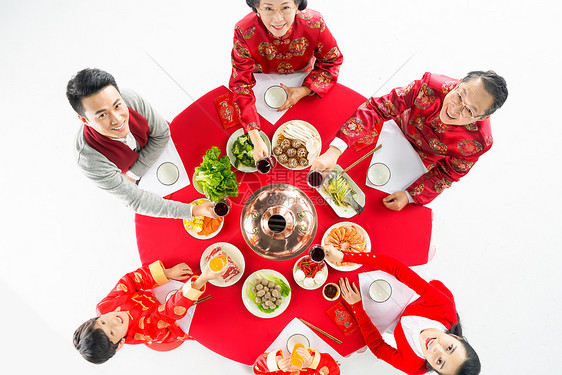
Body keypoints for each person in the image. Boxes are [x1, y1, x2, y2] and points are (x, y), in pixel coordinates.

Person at [311, 71, 508, 211]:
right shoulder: (430, 85)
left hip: (419, 160)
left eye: (469, 111)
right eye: (459, 96)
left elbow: (448, 173)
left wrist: (410, 196)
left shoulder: (480, 141)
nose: (454, 110)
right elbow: (377, 108)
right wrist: (334, 151)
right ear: (458, 83)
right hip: (394, 129)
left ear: (481, 118)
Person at [67, 68, 217, 219]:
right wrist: (191, 211)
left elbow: (162, 134)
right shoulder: (88, 159)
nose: (117, 119)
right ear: (84, 120)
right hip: (146, 183)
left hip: (165, 149)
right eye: (102, 115)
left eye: (117, 105)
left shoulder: (130, 99)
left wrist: (133, 173)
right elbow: (136, 200)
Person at [324, 245, 480, 375]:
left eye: (439, 361)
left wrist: (357, 305)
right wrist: (345, 256)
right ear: (456, 338)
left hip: (393, 321)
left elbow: (378, 348)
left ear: (434, 369)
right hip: (416, 295)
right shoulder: (443, 307)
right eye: (449, 347)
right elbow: (396, 268)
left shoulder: (412, 366)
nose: (435, 347)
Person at [231, 0, 343, 162]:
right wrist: (255, 136)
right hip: (261, 77)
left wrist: (304, 90)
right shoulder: (244, 30)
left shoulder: (314, 23)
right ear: (257, 7)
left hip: (302, 76)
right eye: (268, 8)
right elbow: (240, 83)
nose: (277, 19)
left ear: (297, 6)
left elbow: (332, 60)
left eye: (285, 8)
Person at [73, 259, 224, 364]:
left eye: (103, 321)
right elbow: (167, 313)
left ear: (96, 318)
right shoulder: (142, 332)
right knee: (213, 319)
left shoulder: (104, 306)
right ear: (119, 344)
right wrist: (200, 281)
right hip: (169, 325)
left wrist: (167, 273)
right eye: (112, 332)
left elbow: (131, 281)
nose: (114, 321)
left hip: (153, 298)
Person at [253, 346, 340, 374]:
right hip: (315, 344)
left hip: (281, 344)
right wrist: (312, 361)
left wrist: (277, 363)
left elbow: (258, 369)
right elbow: (334, 371)